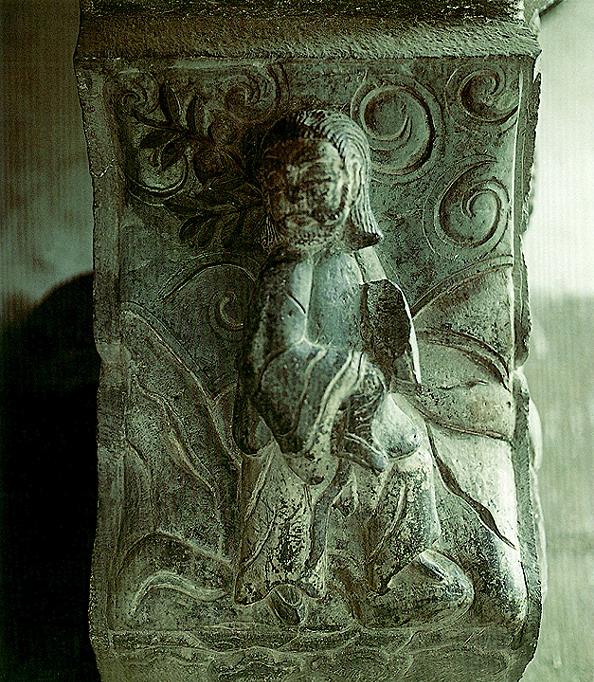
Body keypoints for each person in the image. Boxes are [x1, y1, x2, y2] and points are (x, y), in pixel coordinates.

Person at [232, 110, 472, 628]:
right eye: (278, 186)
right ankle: (291, 578)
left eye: (316, 183)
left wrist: (389, 350)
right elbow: (267, 359)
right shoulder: (291, 265)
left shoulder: (357, 256)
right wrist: (348, 376)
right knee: (298, 483)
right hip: (295, 417)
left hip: (347, 398)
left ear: (355, 182)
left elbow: (379, 310)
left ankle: (397, 561)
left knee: (406, 443)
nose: (295, 201)